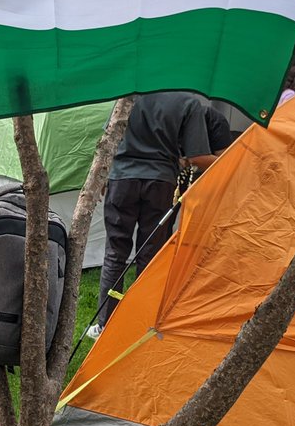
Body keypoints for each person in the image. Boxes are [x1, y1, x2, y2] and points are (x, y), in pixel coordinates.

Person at [92, 92, 217, 334]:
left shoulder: (128, 95)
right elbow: (197, 156)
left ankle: (104, 324)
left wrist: (102, 175)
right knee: (149, 256)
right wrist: (235, 157)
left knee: (115, 253)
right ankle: (140, 322)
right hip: (160, 184)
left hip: (122, 180)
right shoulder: (188, 103)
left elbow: (109, 139)